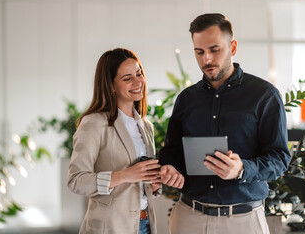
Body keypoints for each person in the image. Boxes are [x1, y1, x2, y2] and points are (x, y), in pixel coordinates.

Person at [158, 13, 291, 234]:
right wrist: (170, 166)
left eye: (214, 49)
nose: (206, 59)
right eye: (199, 52)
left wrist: (242, 169)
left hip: (244, 221)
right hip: (189, 218)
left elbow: (279, 158)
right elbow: (171, 151)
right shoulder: (186, 99)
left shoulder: (264, 95)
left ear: (233, 47)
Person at [68, 48, 162, 234]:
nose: (138, 82)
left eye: (139, 74)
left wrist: (155, 182)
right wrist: (125, 175)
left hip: (145, 225)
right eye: (127, 78)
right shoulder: (94, 123)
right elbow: (76, 180)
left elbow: (144, 184)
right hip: (110, 227)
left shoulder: (145, 127)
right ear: (111, 85)